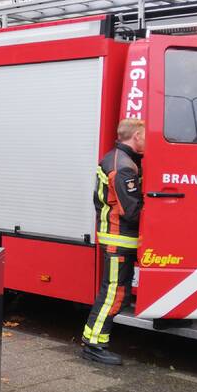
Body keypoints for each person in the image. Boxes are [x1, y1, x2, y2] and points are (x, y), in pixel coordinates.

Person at [82, 118, 145, 365]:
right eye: (145, 135)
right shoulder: (124, 166)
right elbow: (132, 210)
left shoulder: (121, 159)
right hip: (118, 238)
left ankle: (94, 341)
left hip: (118, 238)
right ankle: (93, 345)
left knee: (116, 292)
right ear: (137, 135)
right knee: (113, 294)